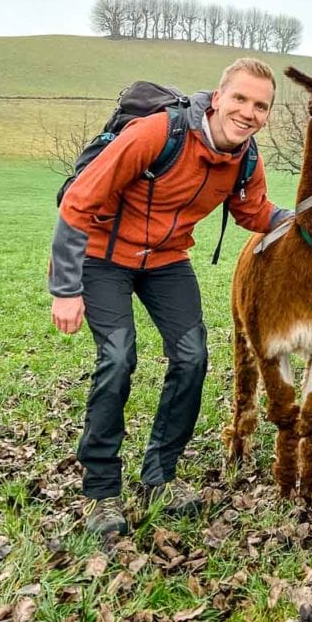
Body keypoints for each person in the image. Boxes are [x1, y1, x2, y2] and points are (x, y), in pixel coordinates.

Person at [49, 58, 290, 537]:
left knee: (192, 356)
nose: (249, 112)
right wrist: (66, 288)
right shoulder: (157, 134)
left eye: (260, 106)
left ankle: (159, 478)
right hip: (102, 256)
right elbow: (78, 201)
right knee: (118, 358)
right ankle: (101, 491)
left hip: (165, 261)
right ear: (218, 98)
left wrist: (296, 218)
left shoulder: (245, 156)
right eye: (240, 98)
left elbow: (252, 210)